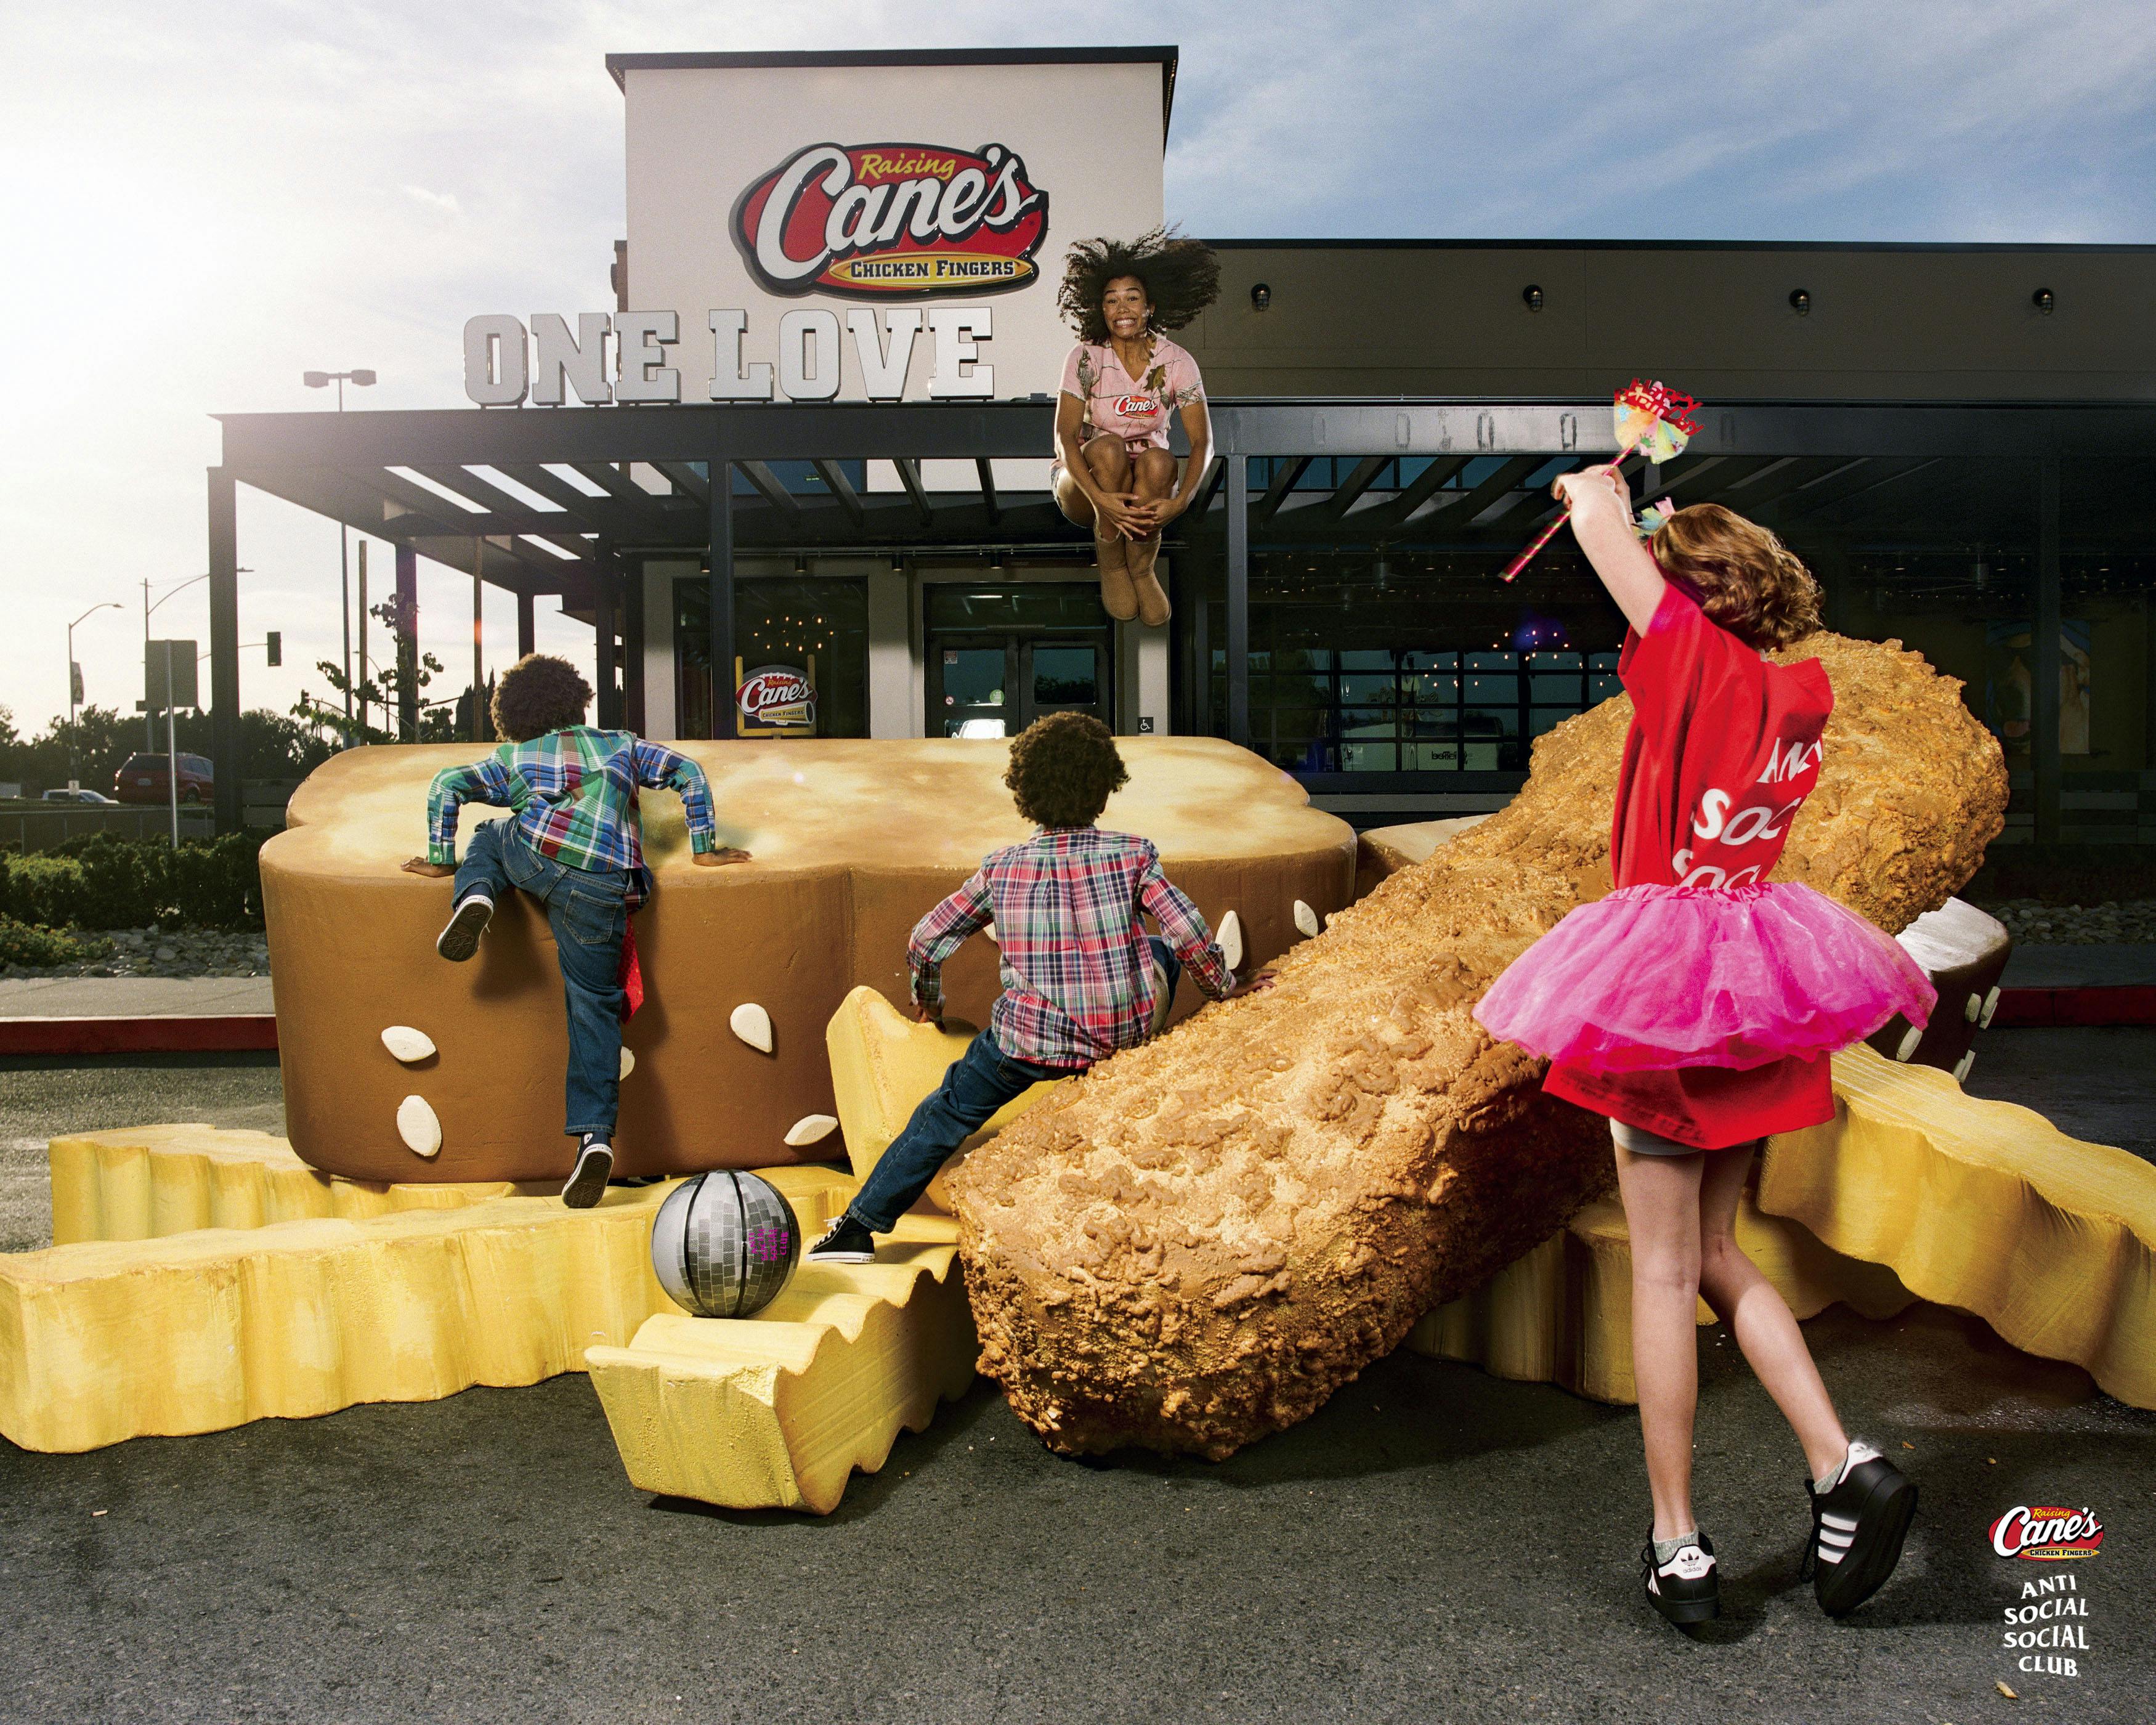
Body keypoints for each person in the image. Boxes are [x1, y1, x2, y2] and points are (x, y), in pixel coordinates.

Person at [1473, 479, 1935, 1628]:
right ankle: (1842, 1464)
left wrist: (1603, 493)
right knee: (1718, 1250)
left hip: (1666, 990)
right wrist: (1655, 523)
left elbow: (1595, 538)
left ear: (1682, 602)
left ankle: (1676, 1542)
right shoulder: (1795, 693)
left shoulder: (1691, 663)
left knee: (1666, 1273)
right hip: (1758, 981)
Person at [808, 713, 1235, 1262]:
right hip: (1119, 1039)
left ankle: (857, 1230)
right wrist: (1225, 986)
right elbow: (1186, 931)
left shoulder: (1001, 868)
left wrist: (930, 1004)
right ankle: (1138, 1057)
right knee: (1154, 949)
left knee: (944, 1115)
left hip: (1026, 1047)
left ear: (1024, 794)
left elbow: (926, 939)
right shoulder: (1133, 855)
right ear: (1105, 788)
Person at [400, 653, 748, 1207]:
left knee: (490, 832)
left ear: (513, 713)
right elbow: (689, 772)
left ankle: (477, 895)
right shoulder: (621, 744)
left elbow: (447, 785)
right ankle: (594, 1140)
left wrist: (440, 856)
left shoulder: (513, 756)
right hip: (603, 886)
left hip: (535, 859)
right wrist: (705, 848)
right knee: (593, 1008)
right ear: (575, 700)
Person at [1051, 229, 1220, 629]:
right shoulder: (1085, 357)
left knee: (1161, 460)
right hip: (1082, 483)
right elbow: (1064, 436)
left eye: (1132, 298)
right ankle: (1111, 562)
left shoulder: (1177, 362)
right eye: (1111, 300)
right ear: (1101, 309)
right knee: (1109, 450)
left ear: (1150, 307)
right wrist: (1100, 501)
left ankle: (1141, 566)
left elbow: (1202, 442)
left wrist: (1180, 503)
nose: (1121, 307)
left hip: (1142, 482)